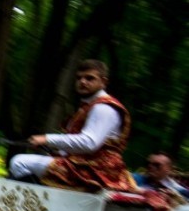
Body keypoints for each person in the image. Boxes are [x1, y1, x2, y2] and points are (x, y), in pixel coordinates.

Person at [8, 59, 137, 192]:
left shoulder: (104, 107)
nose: (82, 82)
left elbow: (89, 143)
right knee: (28, 162)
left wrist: (46, 139)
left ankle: (36, 206)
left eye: (89, 78)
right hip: (84, 166)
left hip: (96, 171)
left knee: (19, 162)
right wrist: (57, 150)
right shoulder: (89, 106)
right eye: (79, 78)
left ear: (103, 82)